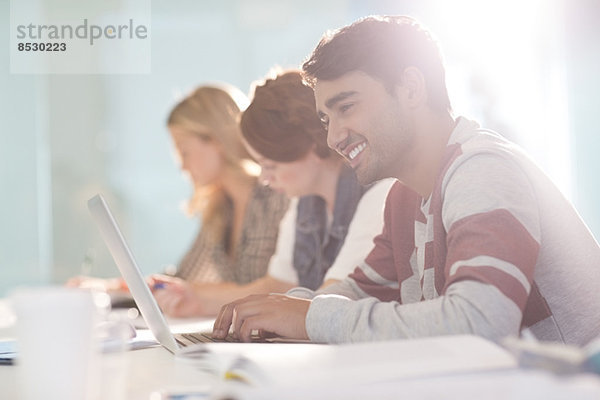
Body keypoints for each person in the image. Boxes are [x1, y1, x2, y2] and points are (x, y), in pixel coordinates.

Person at [212, 15, 600, 346]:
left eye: (346, 107)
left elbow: (480, 325)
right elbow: (355, 293)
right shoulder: (404, 196)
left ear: (411, 88)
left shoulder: (483, 169)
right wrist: (277, 311)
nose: (333, 138)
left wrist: (310, 318)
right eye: (326, 120)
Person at [149, 70, 393, 317]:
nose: (264, 179)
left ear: (310, 149)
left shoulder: (377, 195)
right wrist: (199, 303)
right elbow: (278, 284)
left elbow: (331, 297)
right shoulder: (304, 203)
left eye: (271, 166)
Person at [68, 85, 289, 302]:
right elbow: (182, 281)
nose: (182, 166)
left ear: (216, 141)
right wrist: (109, 288)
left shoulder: (278, 196)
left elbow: (284, 288)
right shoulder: (222, 210)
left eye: (184, 152)